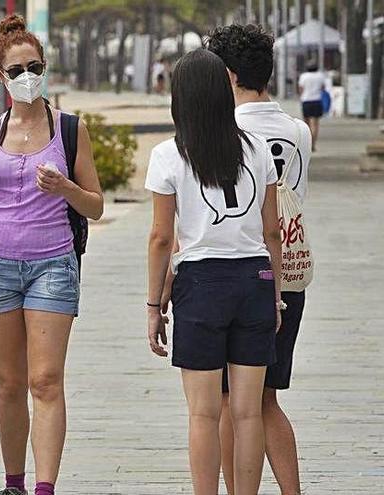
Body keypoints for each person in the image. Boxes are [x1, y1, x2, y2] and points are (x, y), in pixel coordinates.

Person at [0, 14, 104, 495]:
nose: (26, 77)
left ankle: (44, 487)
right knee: (8, 383)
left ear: (45, 68)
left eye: (34, 66)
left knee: (44, 380)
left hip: (53, 265)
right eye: (16, 69)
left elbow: (96, 205)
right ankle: (13, 483)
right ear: (1, 75)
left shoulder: (68, 129)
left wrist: (64, 187)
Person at [146, 49, 283, 495]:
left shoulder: (168, 155)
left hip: (201, 286)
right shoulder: (257, 150)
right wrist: (276, 295)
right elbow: (272, 232)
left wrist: (154, 305)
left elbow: (161, 239)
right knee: (247, 413)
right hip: (254, 282)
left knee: (204, 414)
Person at [205, 24, 312, 495]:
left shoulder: (228, 133)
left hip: (244, 277)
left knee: (231, 401)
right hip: (289, 274)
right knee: (266, 400)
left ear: (227, 76)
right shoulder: (299, 131)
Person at [297, 63, 327, 151]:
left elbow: (301, 89)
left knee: (306, 124)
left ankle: (307, 144)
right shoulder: (320, 76)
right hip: (317, 101)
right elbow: (323, 88)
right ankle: (313, 145)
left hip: (306, 101)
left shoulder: (304, 76)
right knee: (315, 124)